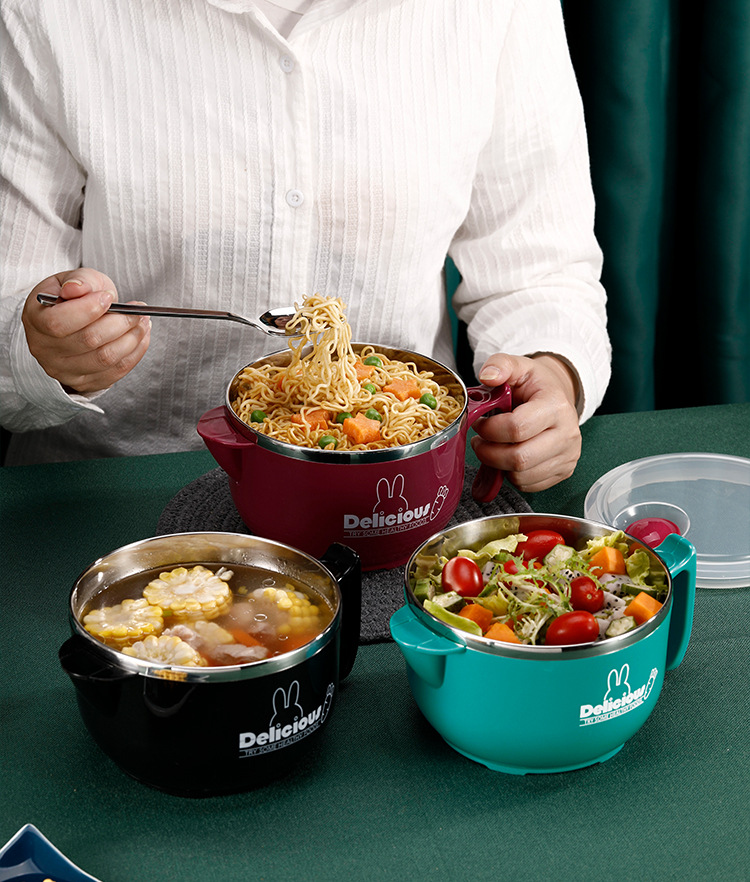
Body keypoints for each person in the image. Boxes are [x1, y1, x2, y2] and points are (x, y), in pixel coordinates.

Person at [0, 0, 611, 493]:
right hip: (112, 492)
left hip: (394, 484)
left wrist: (551, 378)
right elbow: (11, 306)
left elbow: (538, 271)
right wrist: (45, 352)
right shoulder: (46, 13)